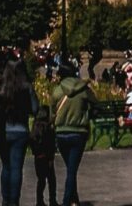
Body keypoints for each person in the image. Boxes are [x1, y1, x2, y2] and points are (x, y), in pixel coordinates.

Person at [0, 59, 38, 206]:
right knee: (16, 168)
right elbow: (35, 109)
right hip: (20, 130)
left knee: (6, 166)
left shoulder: (0, 87)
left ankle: (6, 200)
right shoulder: (26, 87)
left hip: (2, 131)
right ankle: (14, 201)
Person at [51, 59, 95, 206]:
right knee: (72, 170)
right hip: (78, 132)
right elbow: (95, 102)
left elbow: (52, 112)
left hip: (61, 133)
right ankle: (67, 202)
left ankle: (73, 200)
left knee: (71, 168)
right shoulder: (83, 90)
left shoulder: (57, 91)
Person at [30, 105, 57, 206]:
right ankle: (52, 200)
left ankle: (39, 200)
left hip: (38, 157)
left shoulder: (35, 127)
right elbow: (50, 144)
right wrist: (51, 157)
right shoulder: (48, 127)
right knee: (51, 180)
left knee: (41, 180)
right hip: (47, 157)